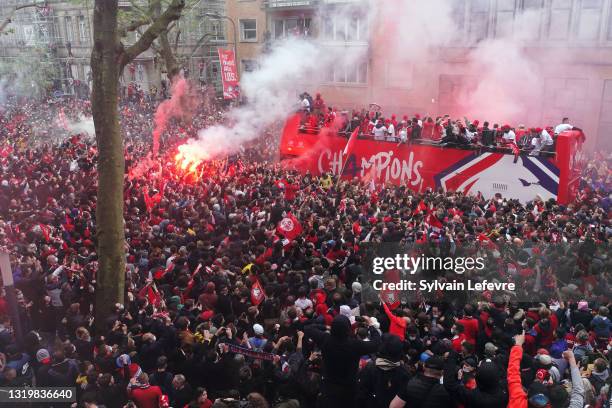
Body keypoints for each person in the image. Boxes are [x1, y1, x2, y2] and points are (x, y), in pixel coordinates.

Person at [304, 314, 381, 407]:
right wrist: (371, 325)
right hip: (349, 388)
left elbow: (308, 328)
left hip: (329, 386)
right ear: (348, 329)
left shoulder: (325, 339)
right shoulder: (355, 345)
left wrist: (326, 327)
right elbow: (376, 344)